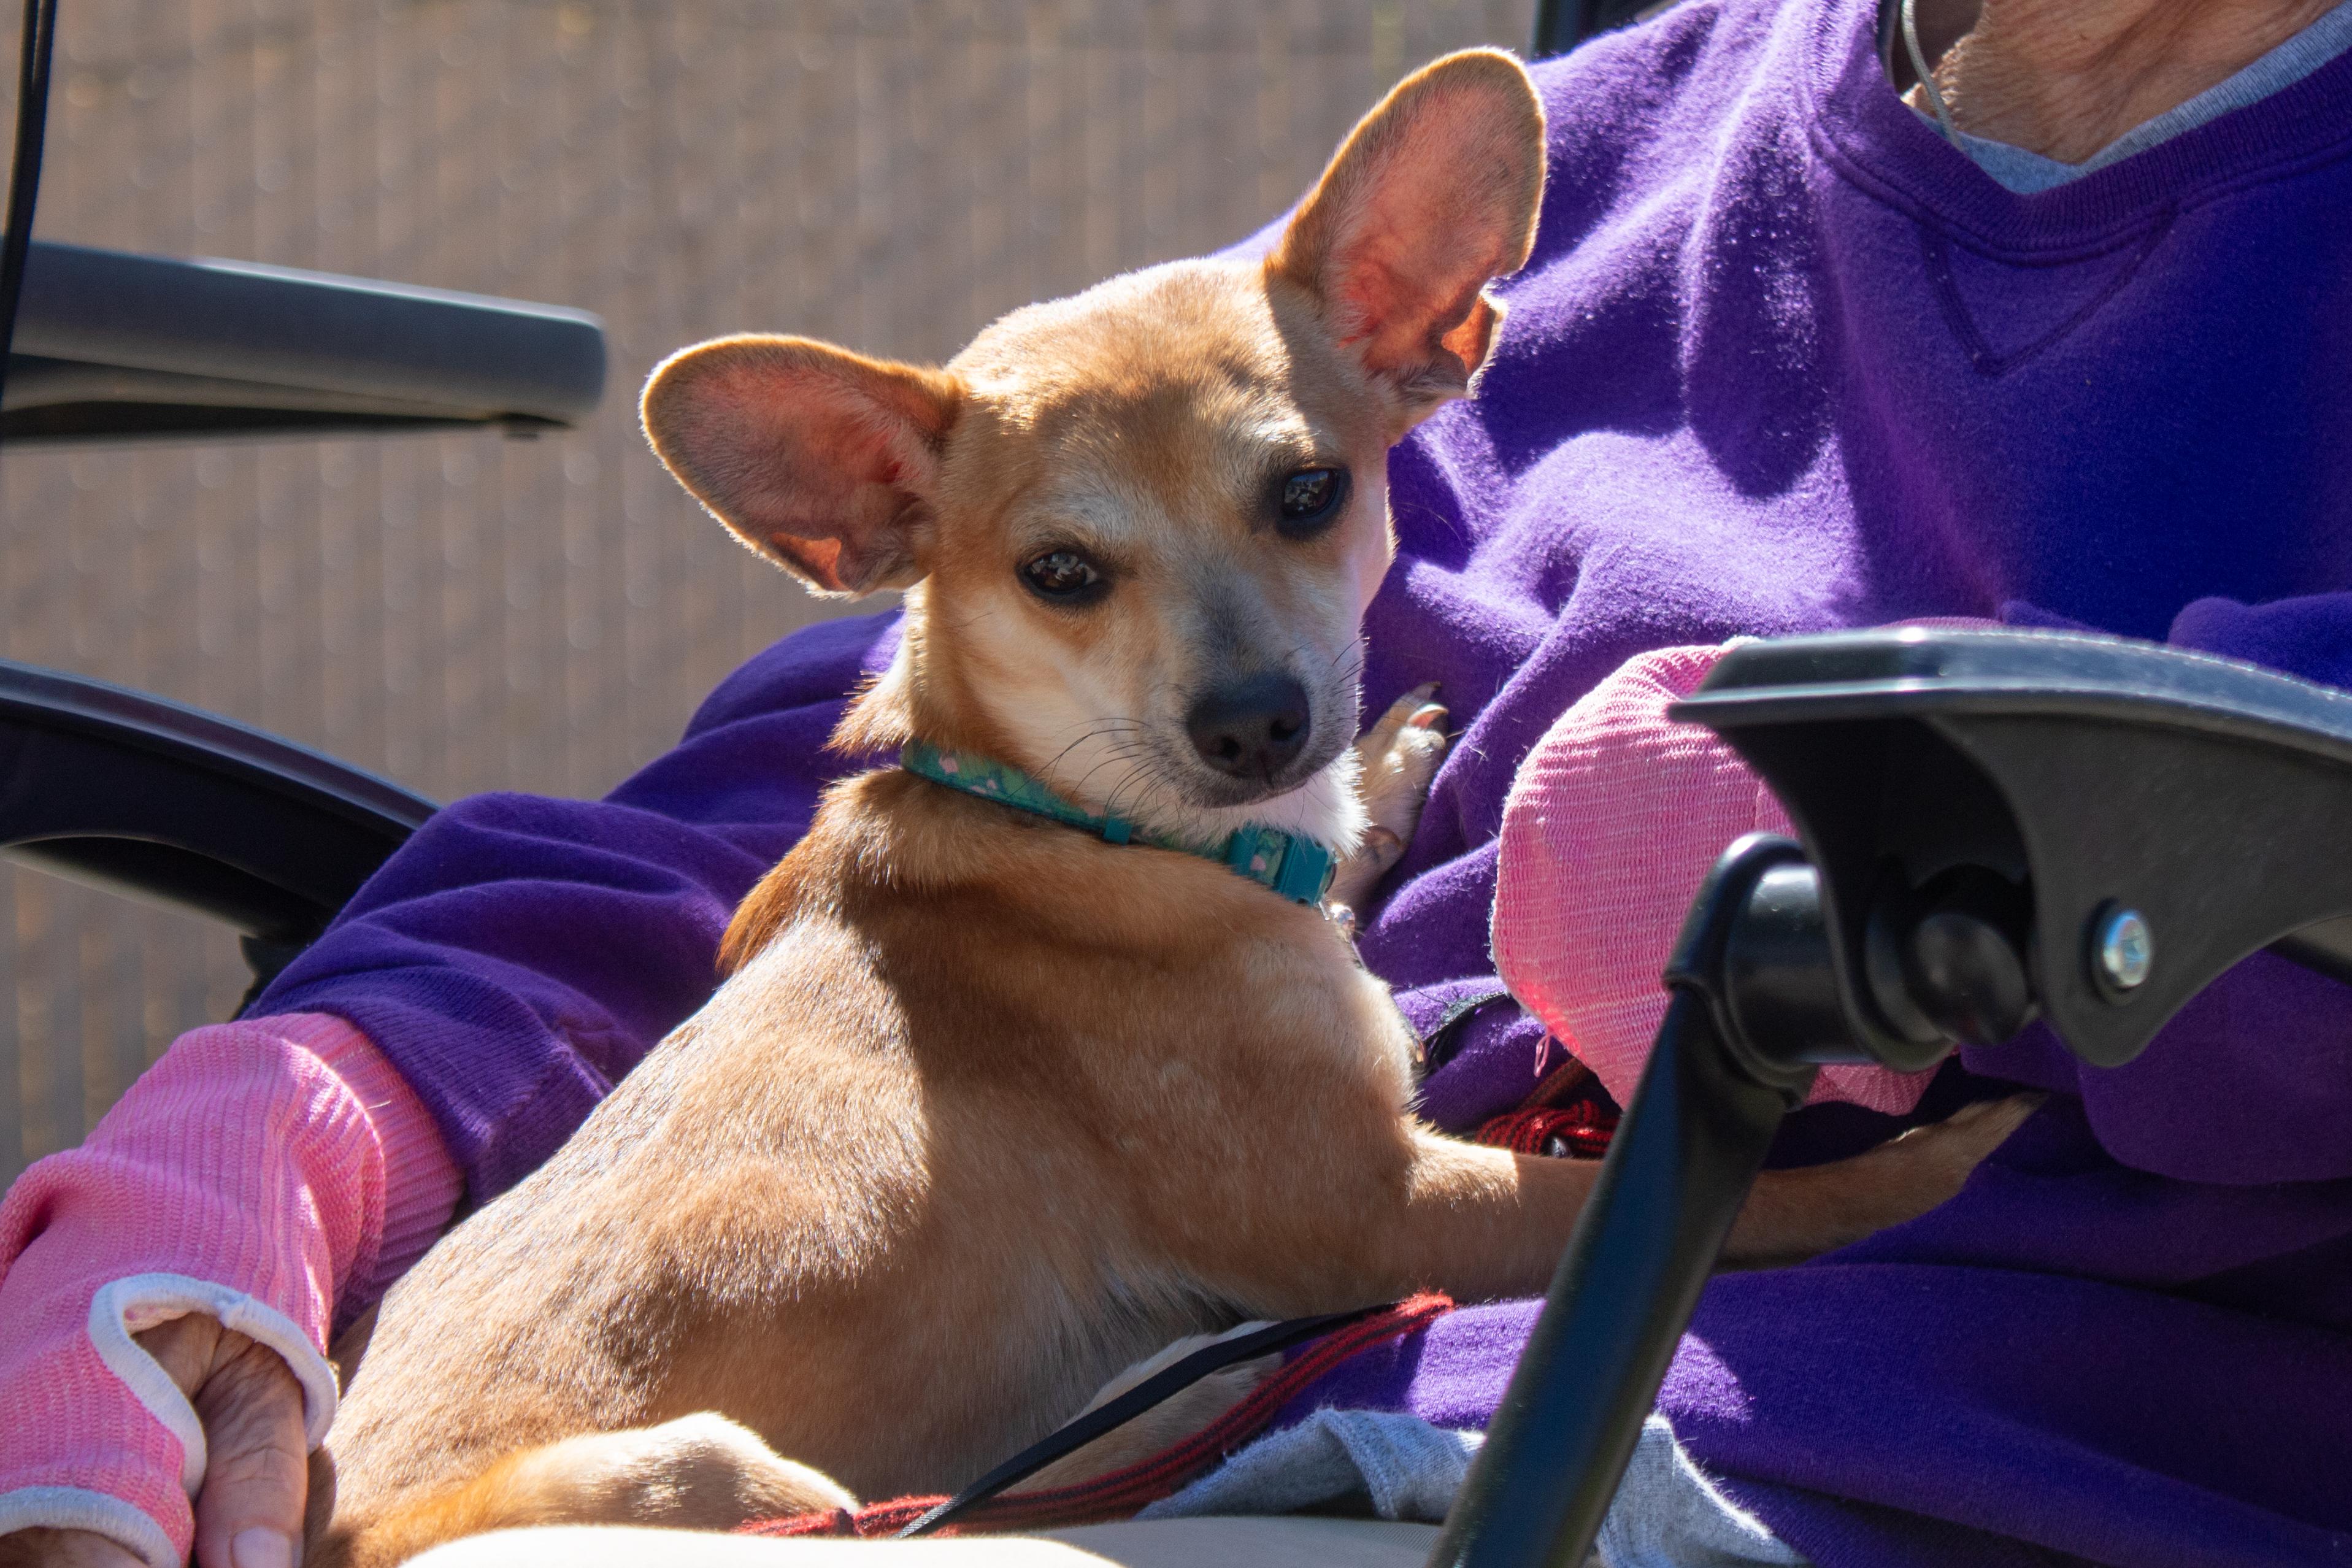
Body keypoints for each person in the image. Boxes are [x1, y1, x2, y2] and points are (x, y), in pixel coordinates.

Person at [5, 0, 2351, 1563]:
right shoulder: (1589, 179)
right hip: (1109, 1450)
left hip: (1838, 1446)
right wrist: (290, 1123)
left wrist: (1957, 811)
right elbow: (889, 775)